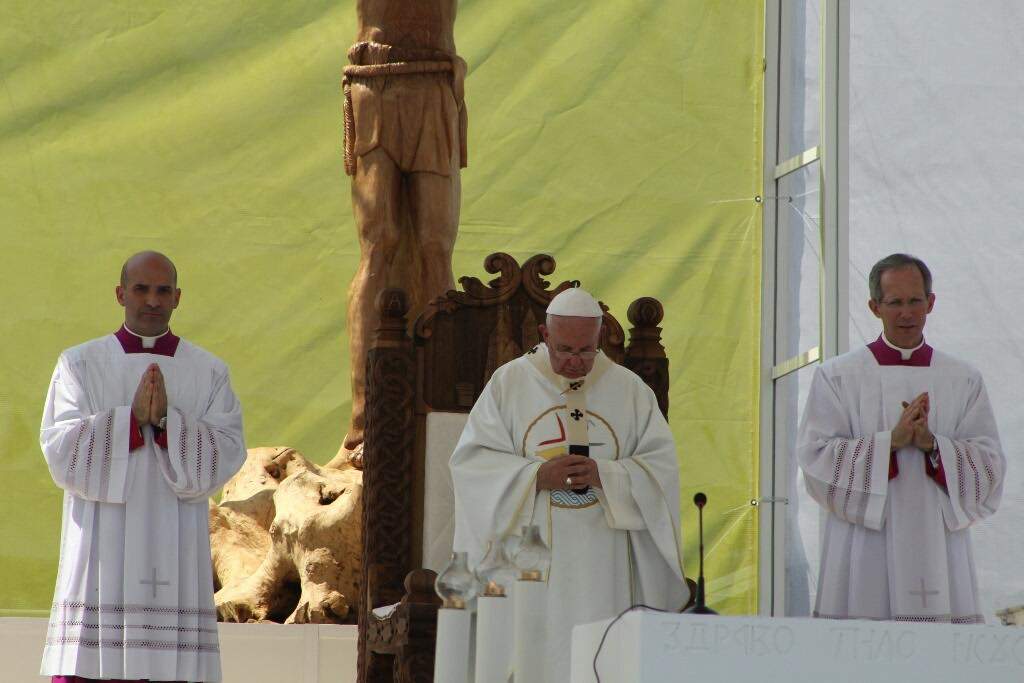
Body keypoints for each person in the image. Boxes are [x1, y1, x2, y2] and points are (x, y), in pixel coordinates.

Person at [450, 287, 689, 683]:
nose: (576, 362)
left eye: (586, 351)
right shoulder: (508, 384)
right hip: (529, 556)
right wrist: (535, 476)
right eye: (564, 350)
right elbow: (472, 464)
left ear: (599, 340)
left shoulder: (629, 391)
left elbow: (661, 469)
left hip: (603, 562)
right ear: (545, 335)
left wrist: (606, 475)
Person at [40, 251, 246, 682]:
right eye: (141, 289)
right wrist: (130, 422)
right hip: (102, 546)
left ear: (177, 298)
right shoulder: (79, 365)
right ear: (120, 294)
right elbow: (60, 450)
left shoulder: (208, 372)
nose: (152, 300)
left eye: (163, 290)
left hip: (178, 540)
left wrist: (170, 424)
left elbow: (228, 450)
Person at [798, 253, 1005, 623]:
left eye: (915, 301)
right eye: (894, 303)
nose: (906, 313)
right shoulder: (839, 377)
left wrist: (933, 446)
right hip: (863, 547)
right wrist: (889, 443)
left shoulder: (962, 379)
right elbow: (815, 459)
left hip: (938, 545)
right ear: (874, 306)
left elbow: (990, 465)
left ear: (931, 302)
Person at [341, 0, 468, 456]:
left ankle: (442, 419)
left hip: (434, 84)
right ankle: (362, 424)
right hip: (374, 82)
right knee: (379, 244)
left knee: (435, 245)